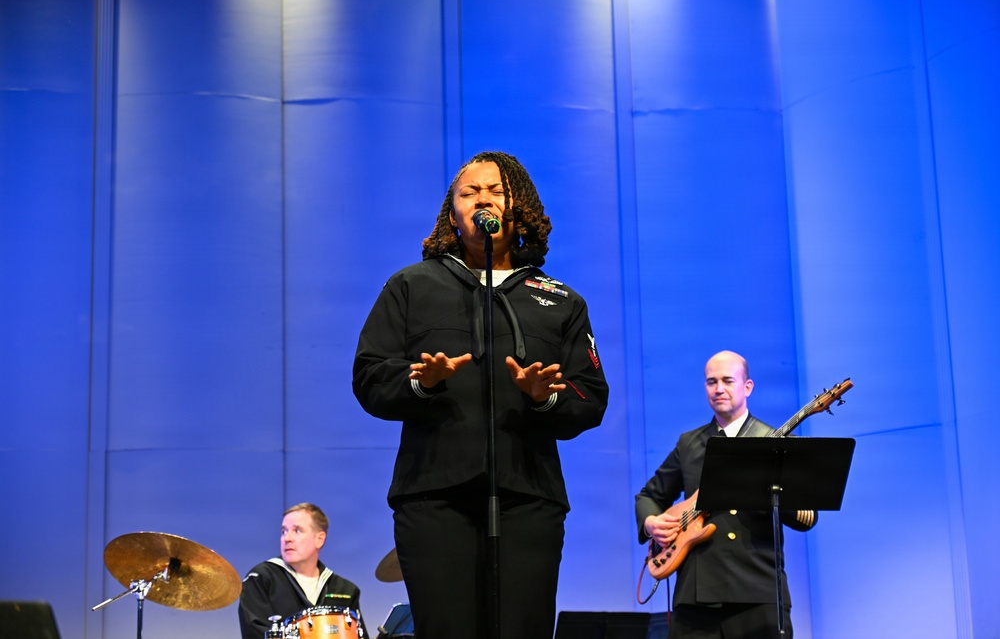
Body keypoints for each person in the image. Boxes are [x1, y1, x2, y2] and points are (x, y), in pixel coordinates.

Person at [352, 151, 608, 639]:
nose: (482, 199)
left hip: (528, 499)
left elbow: (591, 395)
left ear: (519, 209)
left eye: (495, 191)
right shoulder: (410, 287)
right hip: (433, 498)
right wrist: (420, 382)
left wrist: (545, 397)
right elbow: (369, 376)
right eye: (469, 192)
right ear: (453, 215)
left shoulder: (561, 301)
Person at [635, 351, 817, 638]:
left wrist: (768, 489)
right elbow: (649, 496)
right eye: (712, 382)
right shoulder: (689, 444)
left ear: (748, 386)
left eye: (728, 381)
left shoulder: (776, 442)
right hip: (695, 597)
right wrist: (651, 523)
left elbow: (807, 518)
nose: (719, 388)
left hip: (758, 594)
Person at [238, 503, 367, 639]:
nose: (287, 538)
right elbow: (254, 633)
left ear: (319, 539)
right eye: (284, 531)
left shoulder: (345, 590)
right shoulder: (261, 579)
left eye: (297, 530)